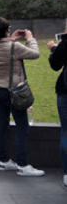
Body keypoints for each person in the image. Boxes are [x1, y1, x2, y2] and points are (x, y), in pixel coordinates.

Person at [0, 17, 44, 177]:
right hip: (14, 91)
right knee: (22, 127)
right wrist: (30, 39)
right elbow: (35, 54)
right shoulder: (16, 47)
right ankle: (23, 165)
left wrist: (9, 40)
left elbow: (4, 50)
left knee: (2, 125)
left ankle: (3, 161)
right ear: (6, 31)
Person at [47, 19, 67, 186]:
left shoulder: (65, 42)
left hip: (65, 92)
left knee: (66, 133)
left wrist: (54, 49)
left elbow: (55, 64)